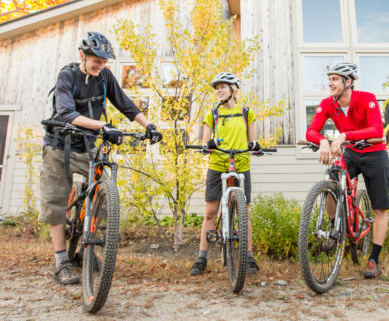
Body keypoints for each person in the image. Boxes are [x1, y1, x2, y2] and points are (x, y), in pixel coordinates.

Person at [39, 31, 163, 285]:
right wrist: (101, 126)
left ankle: (86, 248)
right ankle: (61, 261)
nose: (101, 65)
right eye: (96, 59)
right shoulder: (68, 76)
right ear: (82, 55)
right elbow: (66, 113)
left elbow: (125, 103)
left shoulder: (104, 77)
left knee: (103, 194)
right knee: (56, 201)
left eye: (105, 61)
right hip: (59, 145)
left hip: (87, 145)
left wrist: (149, 125)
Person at [305, 62, 389, 279]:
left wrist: (344, 136)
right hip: (351, 153)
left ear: (348, 82)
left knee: (380, 208)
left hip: (374, 153)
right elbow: (311, 131)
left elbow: (377, 130)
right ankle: (335, 228)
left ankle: (373, 259)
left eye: (335, 79)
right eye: (329, 78)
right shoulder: (328, 104)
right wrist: (323, 140)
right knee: (333, 181)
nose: (330, 83)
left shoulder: (367, 98)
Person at [189, 72, 263, 276]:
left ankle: (248, 257)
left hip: (240, 164)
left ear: (233, 89)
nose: (219, 90)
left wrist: (255, 146)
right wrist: (208, 145)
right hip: (218, 164)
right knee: (210, 213)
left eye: (223, 86)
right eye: (217, 87)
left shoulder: (246, 112)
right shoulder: (212, 113)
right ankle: (201, 258)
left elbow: (252, 141)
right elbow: (205, 142)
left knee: (244, 213)